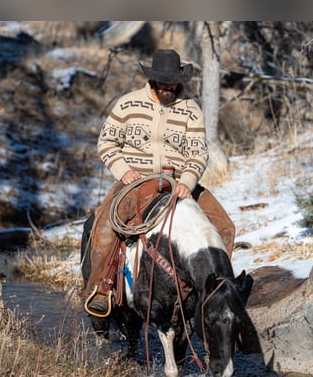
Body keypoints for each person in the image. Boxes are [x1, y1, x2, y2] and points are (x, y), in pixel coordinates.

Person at [84, 49, 235, 316]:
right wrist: (124, 171)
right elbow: (106, 142)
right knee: (106, 224)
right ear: (152, 78)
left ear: (180, 80)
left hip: (178, 180)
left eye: (172, 81)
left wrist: (188, 181)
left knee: (224, 227)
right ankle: (100, 289)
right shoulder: (128, 104)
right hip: (136, 179)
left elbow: (198, 153)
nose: (168, 86)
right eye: (162, 80)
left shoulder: (190, 111)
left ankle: (218, 296)